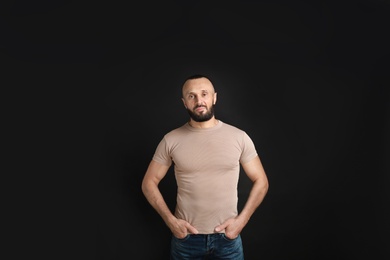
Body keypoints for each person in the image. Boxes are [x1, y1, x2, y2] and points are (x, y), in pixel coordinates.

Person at [141, 74, 269, 259]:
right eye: (191, 96)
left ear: (214, 97)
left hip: (228, 239)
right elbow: (148, 183)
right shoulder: (171, 140)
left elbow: (261, 181)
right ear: (184, 102)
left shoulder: (239, 137)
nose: (199, 100)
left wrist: (241, 221)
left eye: (204, 94)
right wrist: (171, 222)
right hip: (186, 239)